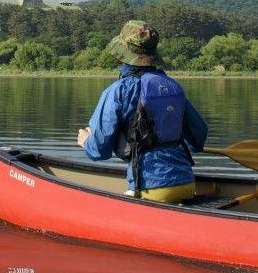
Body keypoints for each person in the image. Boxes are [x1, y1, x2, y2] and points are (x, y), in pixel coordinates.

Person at [78, 20, 208, 203]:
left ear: (124, 52)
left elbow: (99, 151)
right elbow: (198, 137)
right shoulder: (172, 86)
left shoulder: (119, 90)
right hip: (187, 183)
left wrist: (86, 142)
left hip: (152, 188)